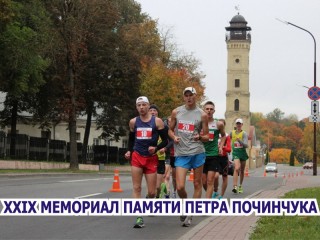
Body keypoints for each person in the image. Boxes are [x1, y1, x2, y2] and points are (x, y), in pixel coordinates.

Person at [124, 96, 168, 228]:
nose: (141, 107)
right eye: (139, 105)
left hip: (151, 159)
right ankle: (139, 217)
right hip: (137, 156)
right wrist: (129, 151)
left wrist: (156, 148)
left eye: (144, 105)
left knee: (152, 192)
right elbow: (131, 140)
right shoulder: (133, 122)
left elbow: (165, 141)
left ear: (149, 106)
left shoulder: (157, 122)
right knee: (137, 187)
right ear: (136, 107)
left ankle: (150, 199)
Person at [168, 87, 209, 227]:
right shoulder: (177, 112)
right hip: (181, 153)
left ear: (195, 96)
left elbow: (207, 136)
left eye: (191, 95)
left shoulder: (202, 114)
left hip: (197, 152)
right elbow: (169, 130)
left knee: (197, 184)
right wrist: (174, 137)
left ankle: (190, 213)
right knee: (179, 186)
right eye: (186, 95)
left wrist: (200, 136)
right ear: (183, 97)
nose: (188, 98)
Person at [201, 101, 226, 199]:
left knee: (210, 180)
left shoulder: (218, 124)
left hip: (213, 154)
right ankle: (210, 195)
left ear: (214, 111)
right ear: (204, 110)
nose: (209, 111)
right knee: (203, 182)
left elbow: (223, 136)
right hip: (201, 154)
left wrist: (220, 147)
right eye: (207, 109)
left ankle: (207, 203)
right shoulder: (199, 123)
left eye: (211, 109)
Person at [148, 104, 173, 198]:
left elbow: (171, 141)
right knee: (151, 183)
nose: (153, 112)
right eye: (151, 110)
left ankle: (161, 194)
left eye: (155, 110)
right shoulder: (144, 125)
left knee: (159, 184)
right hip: (149, 157)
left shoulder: (164, 125)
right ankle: (151, 197)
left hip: (162, 157)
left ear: (157, 113)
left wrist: (165, 148)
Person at [213, 119, 231, 199]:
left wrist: (222, 147)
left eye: (222, 125)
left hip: (224, 158)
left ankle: (221, 195)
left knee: (224, 177)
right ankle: (216, 190)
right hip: (215, 157)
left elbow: (229, 149)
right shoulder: (214, 134)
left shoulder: (226, 136)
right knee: (215, 176)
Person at [230, 118, 249, 194]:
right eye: (237, 123)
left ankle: (240, 185)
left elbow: (246, 145)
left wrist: (239, 141)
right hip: (235, 153)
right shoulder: (232, 133)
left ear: (242, 125)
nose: (238, 125)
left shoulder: (244, 134)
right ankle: (235, 186)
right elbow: (228, 139)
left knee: (241, 171)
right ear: (236, 124)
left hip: (242, 153)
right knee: (237, 168)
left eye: (239, 124)